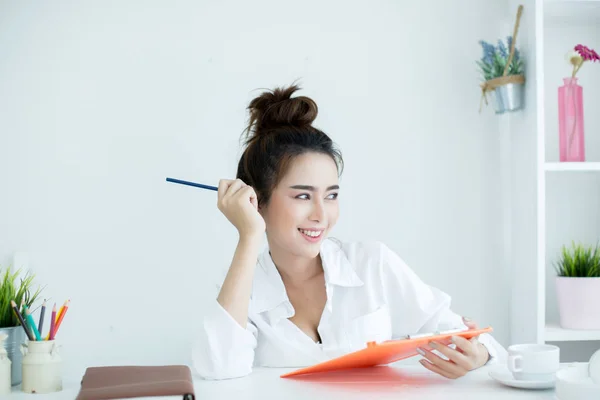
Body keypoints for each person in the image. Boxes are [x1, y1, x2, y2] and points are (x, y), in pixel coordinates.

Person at [192, 84, 507, 380]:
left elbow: (462, 334)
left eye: (331, 195)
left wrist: (478, 355)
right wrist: (248, 236)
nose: (321, 215)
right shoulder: (243, 284)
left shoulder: (371, 264)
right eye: (302, 196)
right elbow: (219, 370)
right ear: (256, 201)